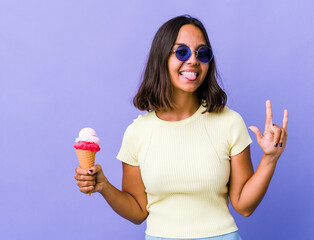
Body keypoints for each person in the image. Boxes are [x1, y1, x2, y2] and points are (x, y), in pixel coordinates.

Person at [74, 15, 288, 240]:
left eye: (202, 53)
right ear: (161, 58)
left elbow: (244, 206)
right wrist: (104, 186)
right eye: (182, 52)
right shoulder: (137, 133)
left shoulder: (229, 122)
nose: (193, 60)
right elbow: (138, 211)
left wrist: (270, 158)